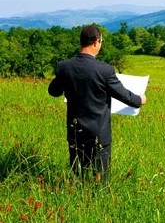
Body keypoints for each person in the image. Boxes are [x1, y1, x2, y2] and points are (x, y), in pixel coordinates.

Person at [48, 25, 146, 184]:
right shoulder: (105, 70)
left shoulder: (64, 67)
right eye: (100, 42)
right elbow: (123, 95)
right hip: (99, 133)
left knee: (78, 174)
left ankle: (78, 199)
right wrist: (139, 100)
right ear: (96, 42)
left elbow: (53, 91)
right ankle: (99, 200)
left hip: (75, 132)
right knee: (101, 179)